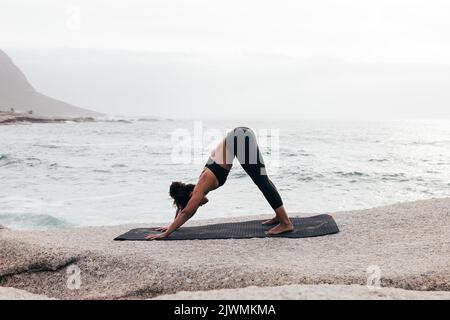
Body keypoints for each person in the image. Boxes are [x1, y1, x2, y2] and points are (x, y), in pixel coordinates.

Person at [146, 127, 294, 240]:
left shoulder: (200, 186)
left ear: (191, 196)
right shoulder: (199, 187)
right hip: (240, 135)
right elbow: (183, 208)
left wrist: (166, 233)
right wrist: (172, 224)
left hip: (240, 139)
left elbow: (186, 212)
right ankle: (279, 216)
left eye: (196, 203)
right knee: (263, 180)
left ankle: (286, 223)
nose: (200, 204)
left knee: (262, 182)